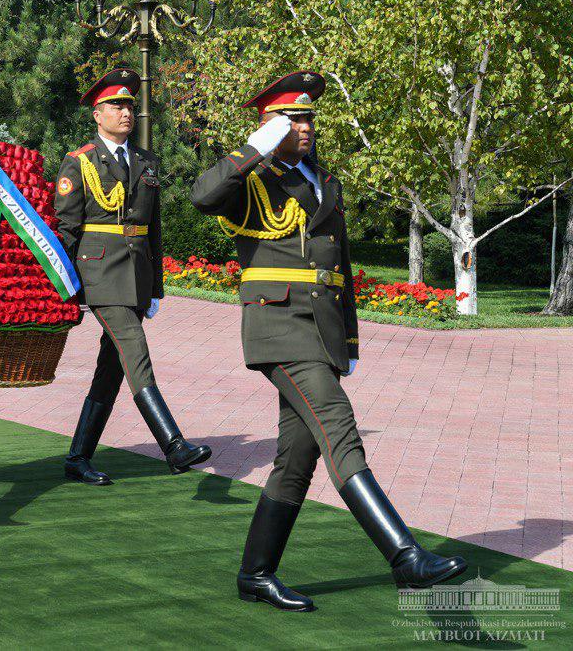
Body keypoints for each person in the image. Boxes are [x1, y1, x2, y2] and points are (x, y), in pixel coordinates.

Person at [191, 71, 466, 611]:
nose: (306, 126)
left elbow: (337, 265)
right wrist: (253, 148)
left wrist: (352, 339)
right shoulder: (254, 178)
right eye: (293, 119)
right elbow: (202, 195)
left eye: (310, 118)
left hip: (322, 331)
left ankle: (255, 574)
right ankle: (405, 556)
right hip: (279, 327)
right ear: (271, 126)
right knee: (339, 427)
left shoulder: (324, 181)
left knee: (296, 459)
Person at [55, 68, 212, 485]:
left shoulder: (146, 162)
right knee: (134, 349)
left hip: (137, 276)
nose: (126, 112)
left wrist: (156, 285)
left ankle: (78, 457)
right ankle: (173, 444)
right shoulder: (81, 161)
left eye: (129, 105)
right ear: (97, 114)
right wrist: (65, 287)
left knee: (112, 367)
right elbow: (66, 230)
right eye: (116, 105)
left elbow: (153, 228)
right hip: (100, 272)